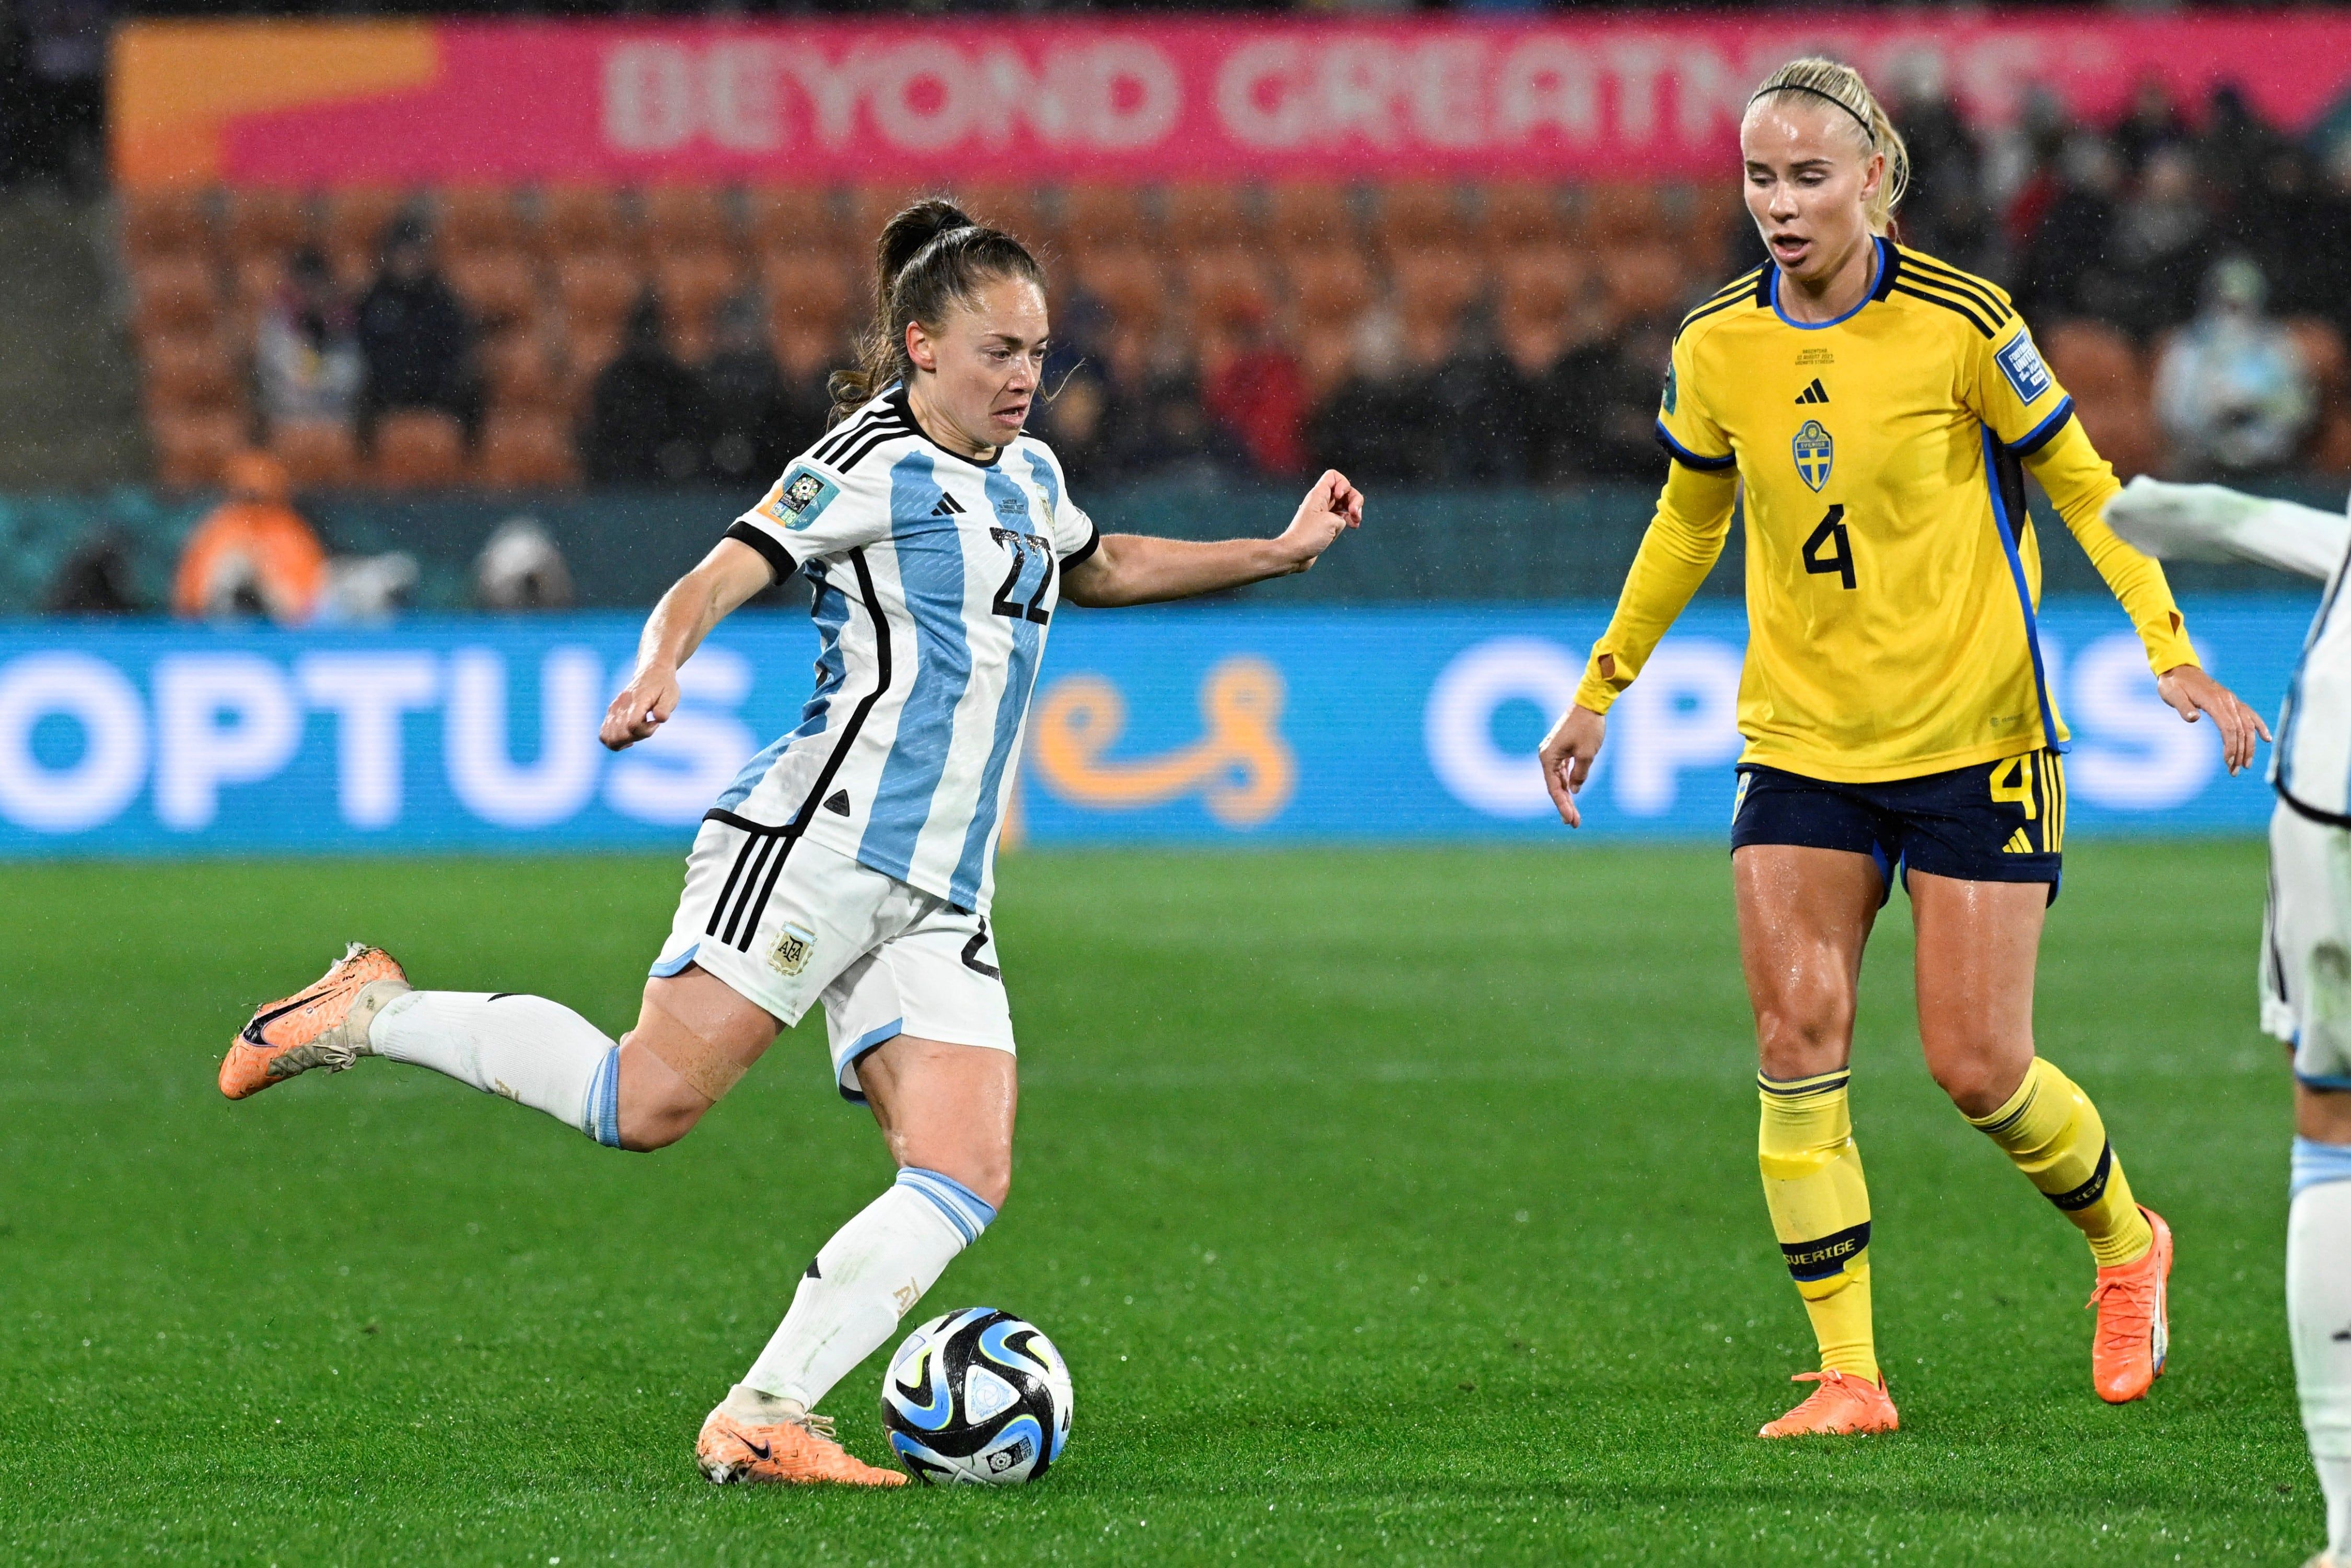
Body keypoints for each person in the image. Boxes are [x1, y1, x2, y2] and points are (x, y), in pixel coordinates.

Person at [215, 199, 1364, 1486]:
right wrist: (659, 668)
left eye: (1038, 348)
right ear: (921, 344)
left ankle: (764, 1409)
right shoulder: (864, 463)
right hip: (817, 843)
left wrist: (1275, 548)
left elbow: (1099, 564)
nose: (1026, 374)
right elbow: (713, 575)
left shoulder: (1031, 475)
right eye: (998, 348)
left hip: (939, 888)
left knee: (963, 1166)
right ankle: (369, 1009)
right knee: (638, 1102)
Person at [1537, 57, 2268, 1441]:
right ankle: (1849, 1375)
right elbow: (1691, 521)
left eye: (1808, 175)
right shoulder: (1713, 346)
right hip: (1802, 744)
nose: (1779, 203)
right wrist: (1602, 686)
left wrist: (2165, 642)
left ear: (1872, 177)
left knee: (1976, 1066)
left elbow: (2078, 488)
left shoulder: (1961, 323)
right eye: (1760, 176)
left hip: (1974, 737)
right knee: (1793, 1038)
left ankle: (2125, 1243)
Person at [2104, 475, 2351, 1568]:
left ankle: (2350, 1531)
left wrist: (2184, 512)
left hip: (2336, 804)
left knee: (2333, 1124)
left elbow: (2300, 540)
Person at [2152, 255, 2315, 477]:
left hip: (2267, 469)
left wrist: (2254, 402)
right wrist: (2211, 410)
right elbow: (2171, 415)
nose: (2234, 314)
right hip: (2205, 467)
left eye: (2243, 305)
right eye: (2228, 304)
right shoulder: (2187, 348)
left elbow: (2301, 411)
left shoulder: (2279, 346)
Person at [354, 218, 478, 449]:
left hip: (437, 391)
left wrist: (435, 382)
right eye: (403, 253)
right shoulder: (375, 299)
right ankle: (363, 474)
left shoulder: (442, 300)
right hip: (387, 393)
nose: (409, 261)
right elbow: (365, 349)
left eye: (414, 253)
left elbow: (455, 348)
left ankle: (471, 471)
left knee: (474, 395)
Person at [171, 450, 327, 622]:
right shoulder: (218, 528)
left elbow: (311, 603)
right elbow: (190, 601)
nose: (253, 508)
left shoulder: (290, 532)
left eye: (260, 496)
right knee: (233, 563)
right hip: (220, 631)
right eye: (247, 495)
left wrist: (266, 577)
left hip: (280, 630)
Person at [581, 292, 711, 486]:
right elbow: (603, 433)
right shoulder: (614, 379)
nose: (647, 342)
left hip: (669, 479)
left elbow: (694, 431)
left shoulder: (678, 379)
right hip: (621, 477)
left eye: (652, 333)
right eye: (644, 333)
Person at [255, 246, 363, 435]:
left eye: (315, 286)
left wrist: (318, 374)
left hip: (334, 418)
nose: (310, 294)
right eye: (304, 287)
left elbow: (350, 372)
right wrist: (307, 372)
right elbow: (276, 366)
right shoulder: (279, 318)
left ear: (326, 286)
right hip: (288, 416)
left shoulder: (342, 320)